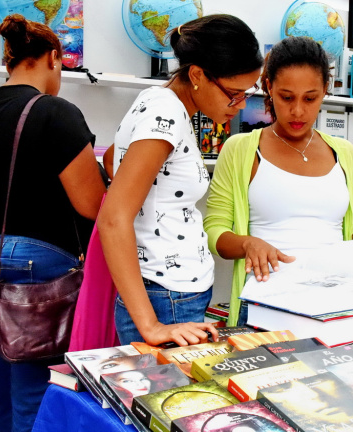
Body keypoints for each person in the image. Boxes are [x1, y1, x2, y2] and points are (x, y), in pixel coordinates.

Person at [0, 14, 106, 432]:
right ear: (54, 58)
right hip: (33, 269)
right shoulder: (56, 112)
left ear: (10, 62)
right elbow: (92, 204)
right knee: (35, 390)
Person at [203, 37, 353, 326]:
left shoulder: (343, 152)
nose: (297, 111)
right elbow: (214, 231)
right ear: (268, 87)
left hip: (336, 304)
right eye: (286, 96)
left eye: (310, 98)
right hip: (265, 304)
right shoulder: (241, 148)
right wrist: (248, 244)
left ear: (324, 92)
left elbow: (352, 224)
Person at [97, 14, 263, 346]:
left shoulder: (158, 102)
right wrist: (151, 326)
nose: (241, 105)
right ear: (197, 75)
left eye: (247, 93)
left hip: (172, 292)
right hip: (165, 298)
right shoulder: (167, 116)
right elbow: (113, 219)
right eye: (234, 93)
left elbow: (111, 159)